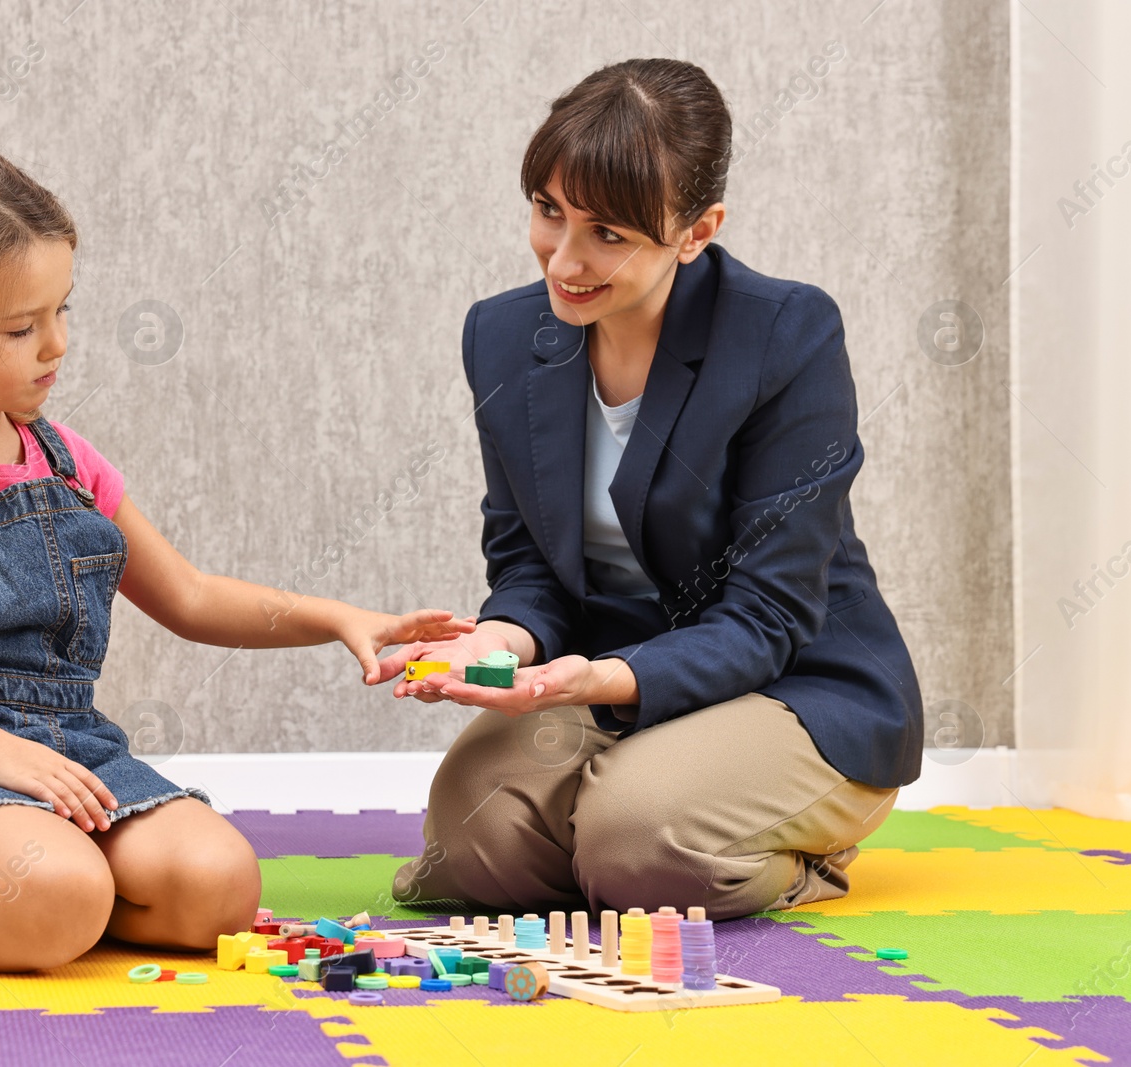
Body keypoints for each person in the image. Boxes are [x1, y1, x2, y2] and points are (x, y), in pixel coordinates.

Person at [0, 141, 474, 973]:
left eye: (63, 311)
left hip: (72, 750)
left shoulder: (63, 460)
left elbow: (188, 595)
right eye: (21, 327)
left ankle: (68, 892)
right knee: (50, 901)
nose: (57, 345)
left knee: (217, 885)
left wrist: (339, 619)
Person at [376, 58, 924, 920]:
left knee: (637, 843)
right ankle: (629, 820)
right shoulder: (501, 335)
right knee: (472, 843)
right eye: (549, 211)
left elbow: (769, 615)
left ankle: (796, 849)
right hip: (605, 681)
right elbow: (527, 563)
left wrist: (589, 683)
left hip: (793, 682)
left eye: (609, 234)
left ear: (697, 230)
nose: (564, 259)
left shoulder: (787, 333)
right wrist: (498, 644)